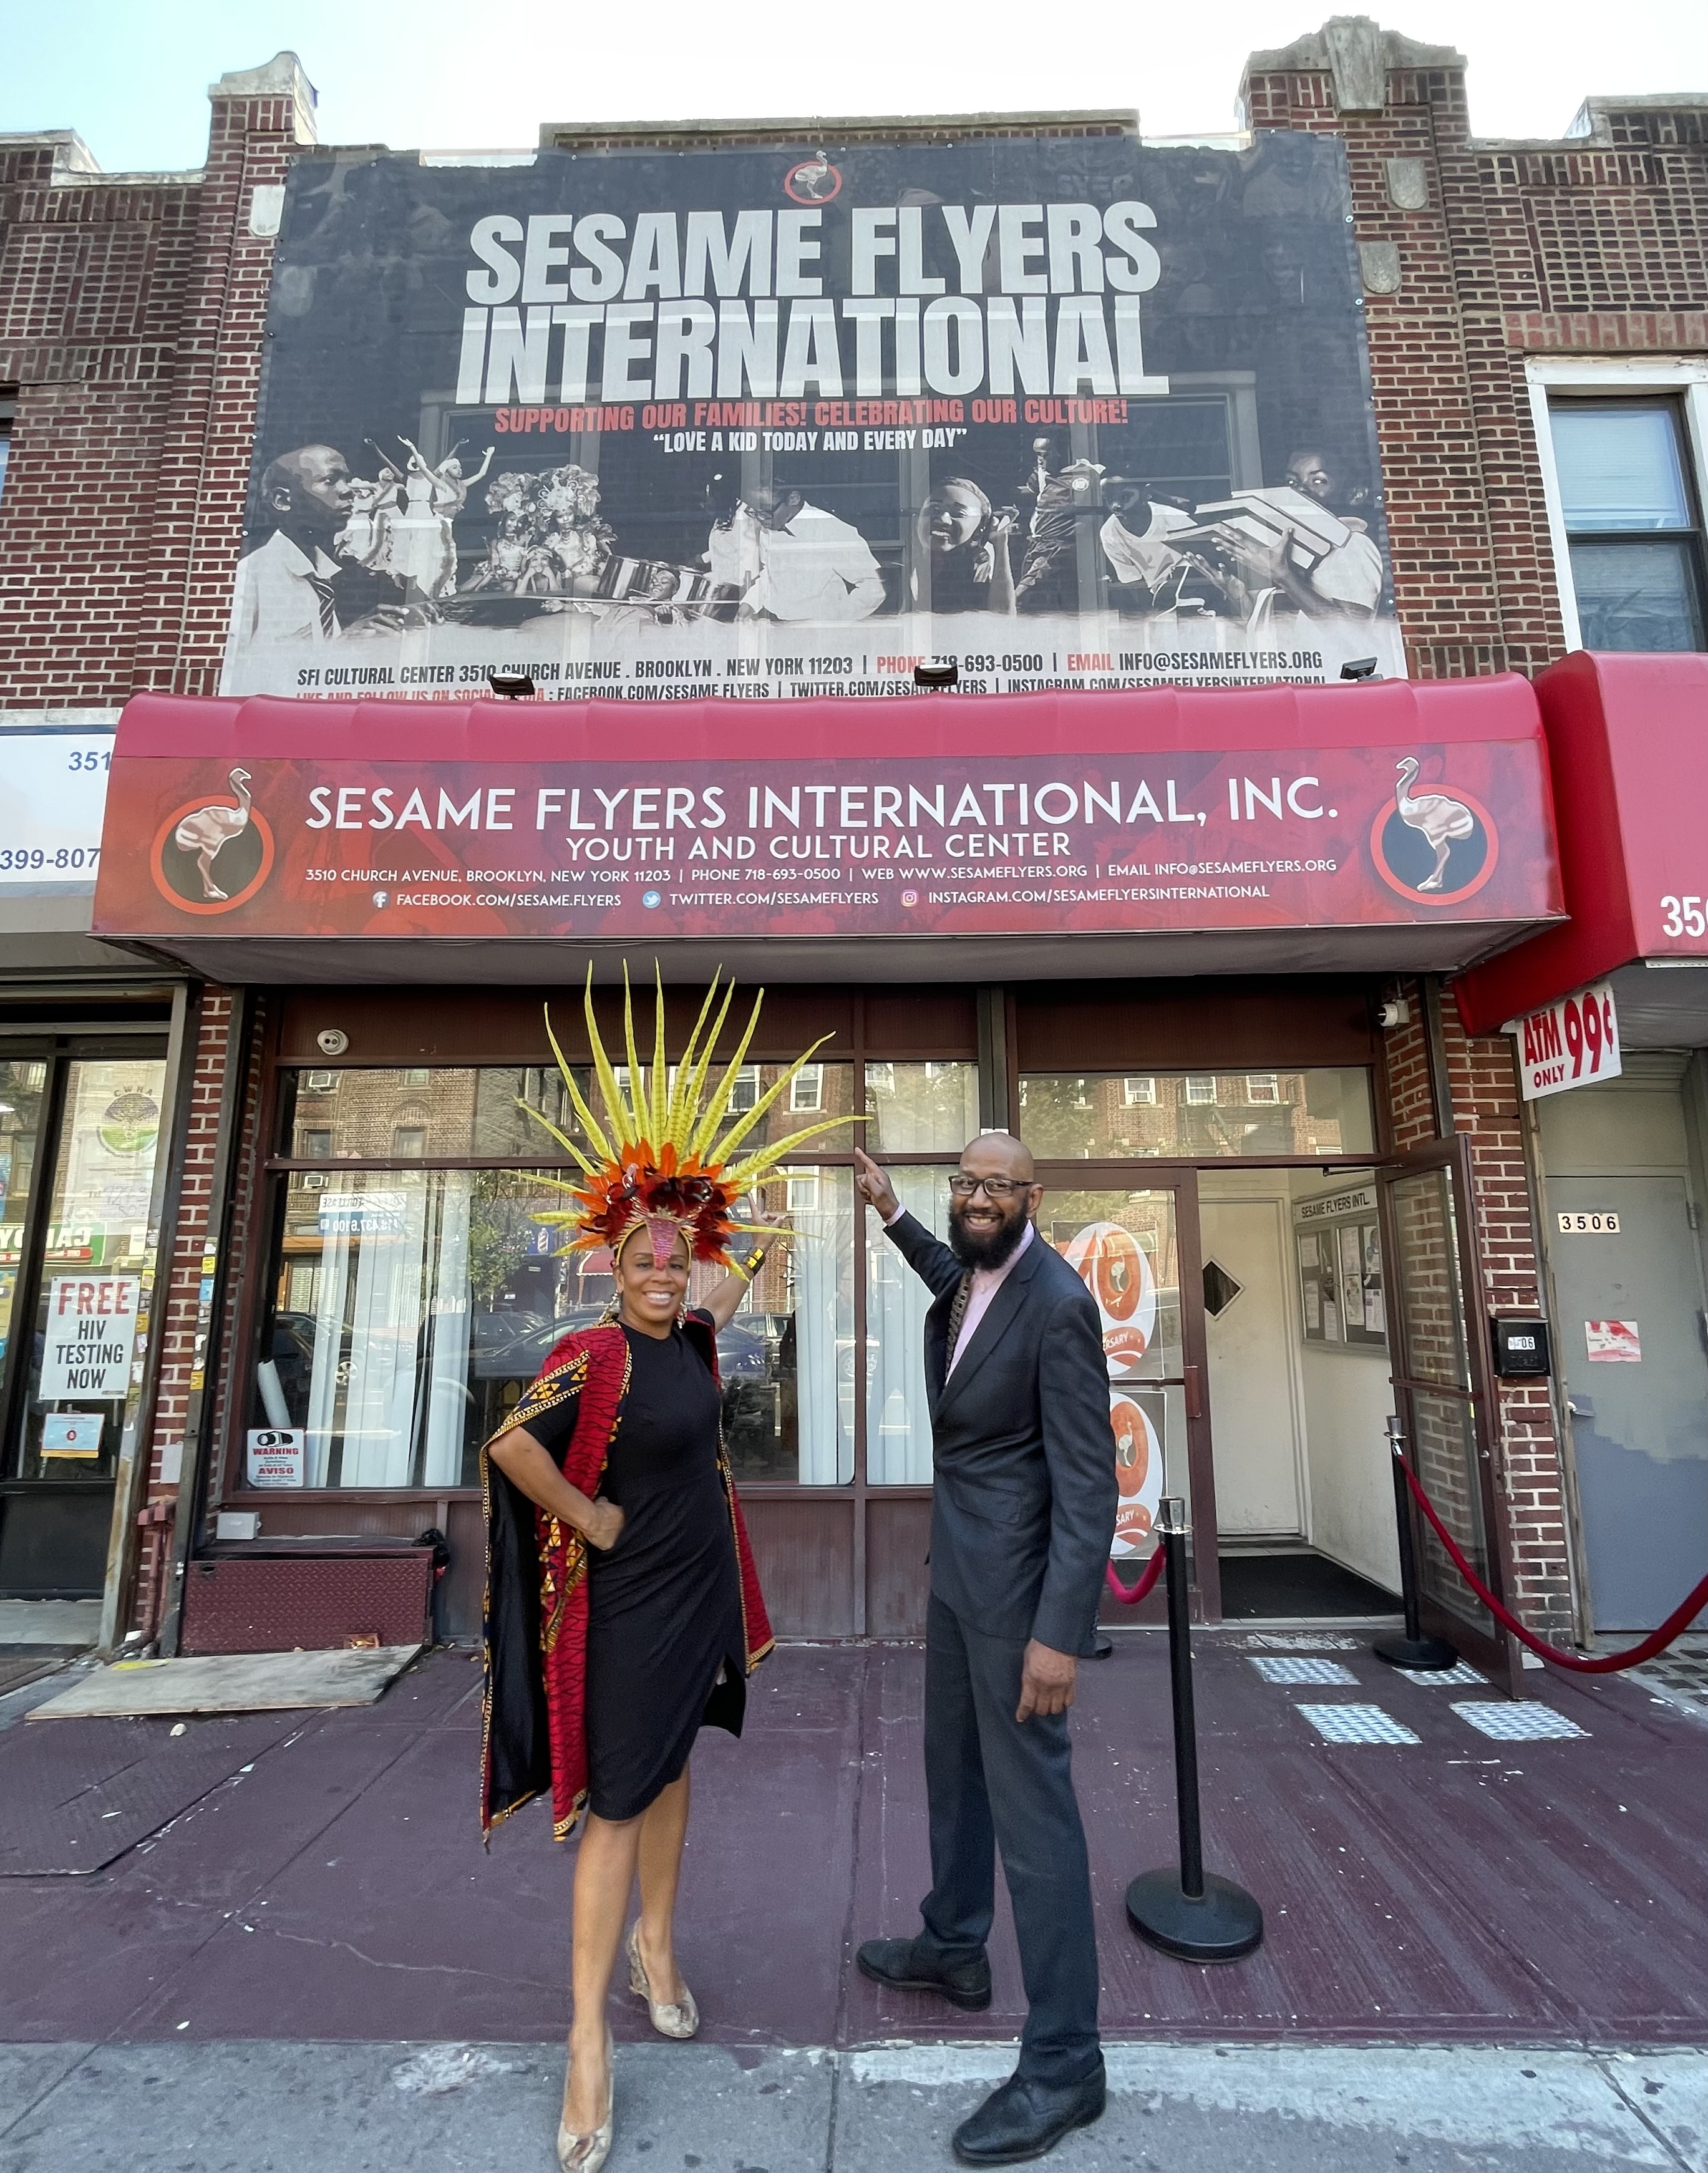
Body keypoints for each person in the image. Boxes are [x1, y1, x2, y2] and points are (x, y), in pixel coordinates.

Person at [482, 968, 850, 2173]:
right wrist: (587, 1514)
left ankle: (659, 1947)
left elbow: (739, 1260)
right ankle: (588, 2039)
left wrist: (693, 1202)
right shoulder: (586, 1353)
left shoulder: (695, 1329)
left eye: (672, 1257)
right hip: (624, 1602)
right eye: (642, 1255)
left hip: (700, 1591)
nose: (661, 1270)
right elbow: (507, 1446)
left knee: (678, 1765)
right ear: (609, 1264)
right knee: (615, 1801)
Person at [852, 1133, 1118, 2169]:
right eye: (964, 1182)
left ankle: (1065, 2062)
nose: (976, 1198)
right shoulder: (978, 1267)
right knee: (950, 1774)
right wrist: (888, 1211)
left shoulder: (1057, 1301)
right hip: (958, 1578)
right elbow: (953, 1285)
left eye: (994, 1185)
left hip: (1018, 1603)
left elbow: (1089, 1482)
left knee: (1034, 1818)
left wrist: (1059, 1631)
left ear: (1030, 1196)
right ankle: (955, 1944)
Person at [228, 445, 411, 648]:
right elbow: (234, 667)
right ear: (282, 500)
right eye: (330, 481)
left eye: (345, 480)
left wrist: (350, 641)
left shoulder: (322, 576)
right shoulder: (251, 577)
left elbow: (314, 663)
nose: (347, 490)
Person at [706, 481, 884, 620]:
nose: (762, 521)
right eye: (756, 514)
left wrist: (835, 621)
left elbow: (873, 588)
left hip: (819, 633)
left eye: (767, 513)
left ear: (793, 499)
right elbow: (771, 573)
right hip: (777, 627)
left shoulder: (831, 529)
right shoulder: (771, 527)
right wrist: (750, 604)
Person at [910, 479, 1018, 615]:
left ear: (978, 531)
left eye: (958, 514)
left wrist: (1000, 543)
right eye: (933, 510)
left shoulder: (977, 578)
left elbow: (1003, 618)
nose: (943, 519)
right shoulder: (898, 574)